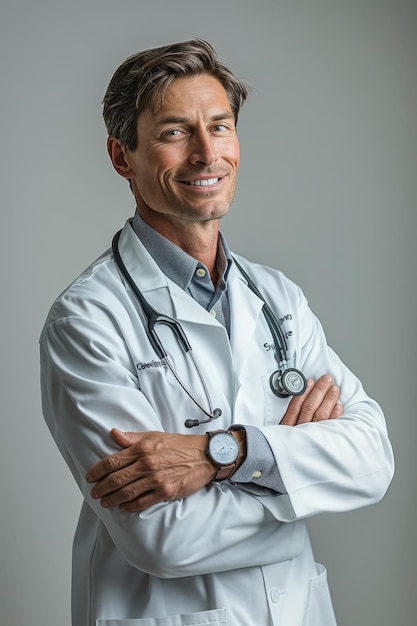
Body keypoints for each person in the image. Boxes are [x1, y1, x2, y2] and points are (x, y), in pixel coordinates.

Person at [40, 39, 394, 626]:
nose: (208, 154)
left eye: (220, 127)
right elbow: (163, 540)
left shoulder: (278, 298)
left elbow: (372, 462)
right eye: (175, 132)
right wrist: (298, 481)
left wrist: (220, 454)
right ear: (121, 156)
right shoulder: (87, 319)